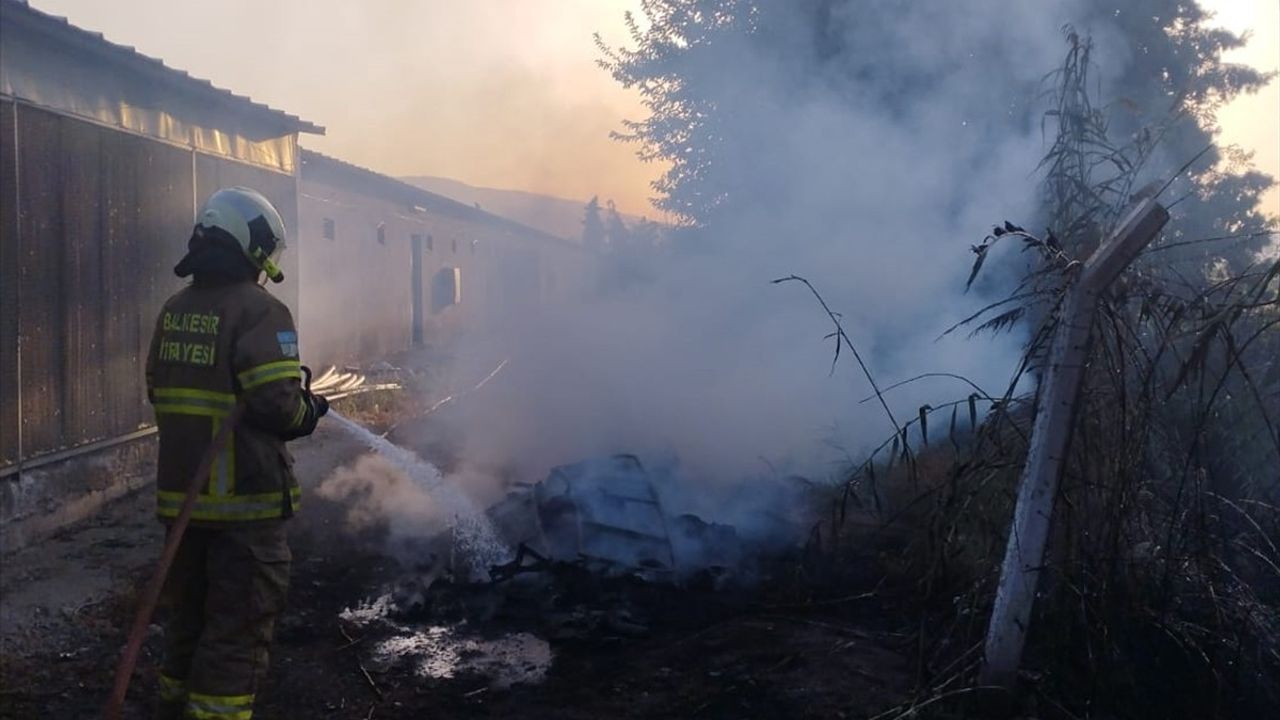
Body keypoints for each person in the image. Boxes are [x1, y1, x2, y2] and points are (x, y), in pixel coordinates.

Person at [145, 187, 328, 719]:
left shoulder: (174, 309)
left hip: (184, 503)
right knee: (237, 628)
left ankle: (173, 709)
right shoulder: (260, 311)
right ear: (251, 244)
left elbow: (158, 388)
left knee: (189, 621)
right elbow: (277, 406)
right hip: (244, 506)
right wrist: (308, 413)